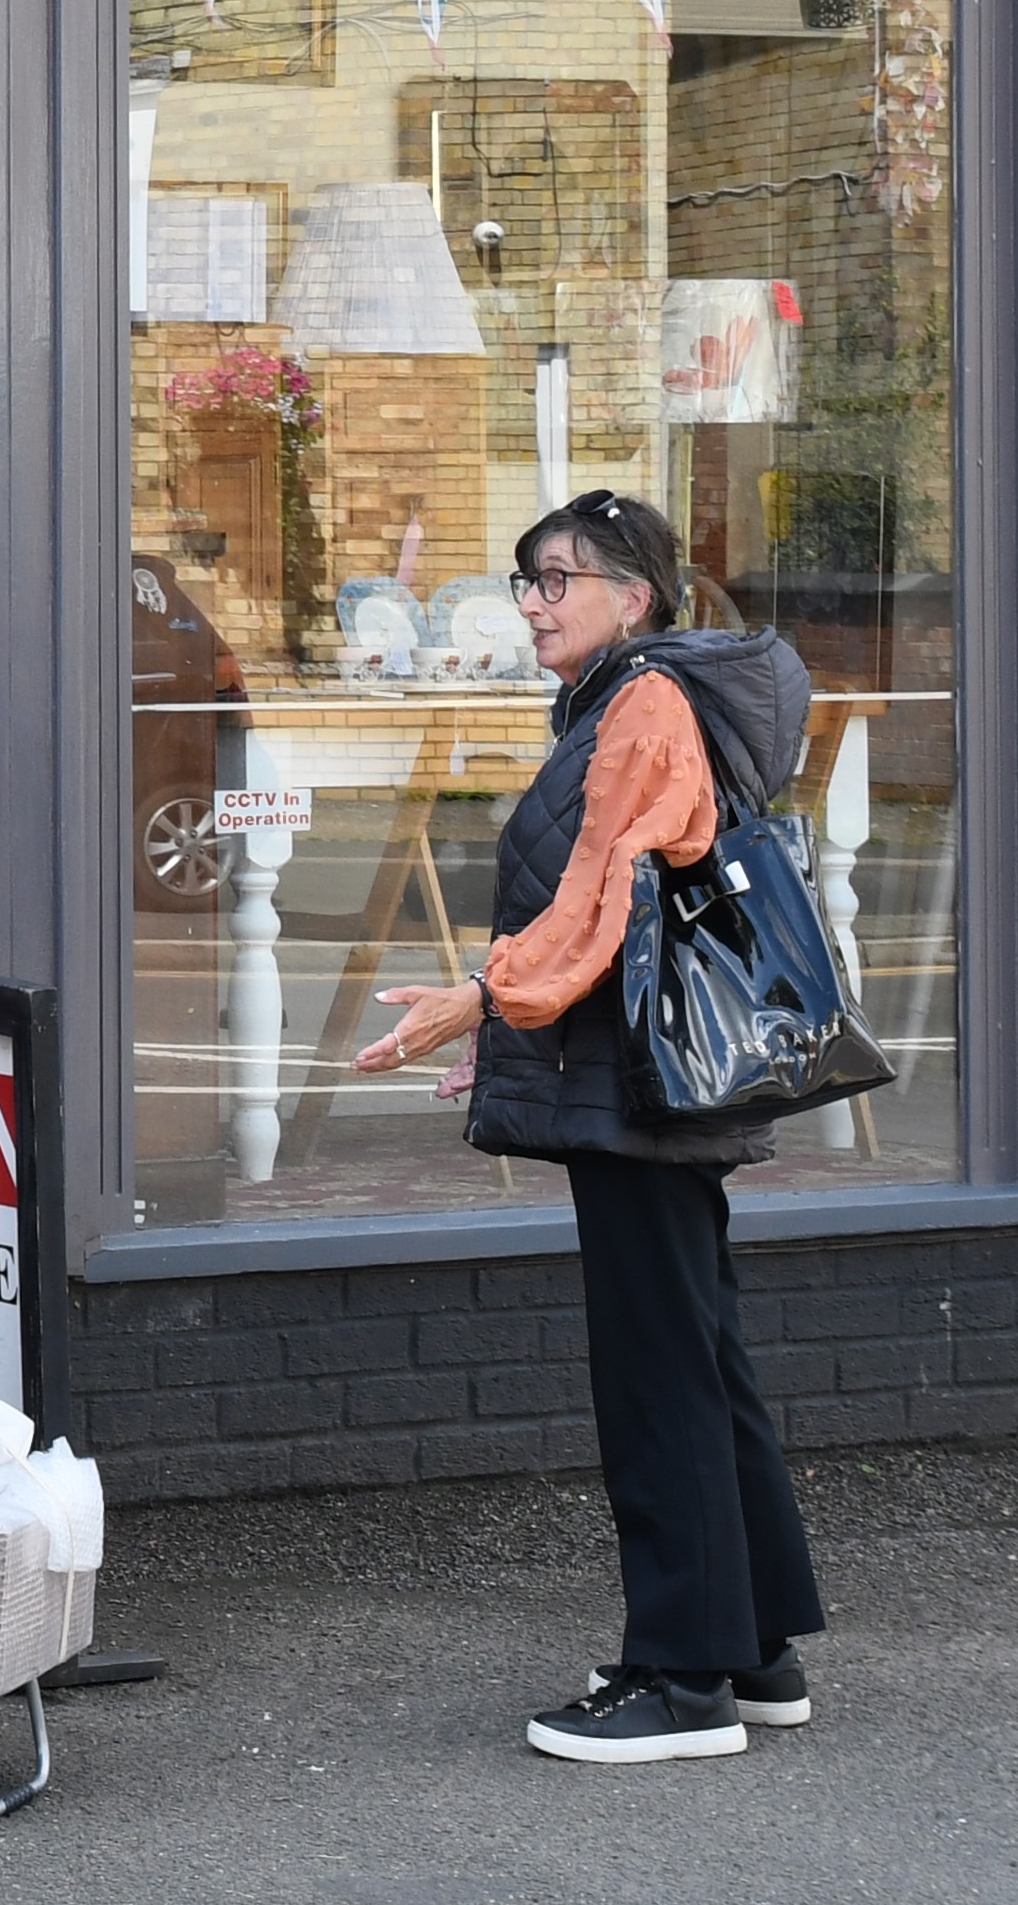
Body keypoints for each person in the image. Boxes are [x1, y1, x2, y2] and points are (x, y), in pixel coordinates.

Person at [356, 488, 824, 1767]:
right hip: (643, 1075)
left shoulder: (646, 704)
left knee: (658, 1369)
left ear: (637, 594)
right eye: (527, 581)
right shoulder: (643, 698)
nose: (533, 605)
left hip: (644, 1090)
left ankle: (680, 1682)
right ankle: (753, 1645)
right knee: (698, 1348)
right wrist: (515, 1031)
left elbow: (597, 900)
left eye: (557, 579)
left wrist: (481, 1002)